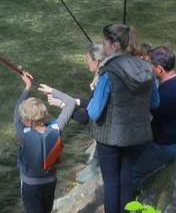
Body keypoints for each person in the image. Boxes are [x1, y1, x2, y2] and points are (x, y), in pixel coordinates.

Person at [43, 24, 156, 213]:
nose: (102, 45)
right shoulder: (146, 67)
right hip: (139, 134)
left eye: (105, 41)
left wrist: (87, 97)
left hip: (111, 138)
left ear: (114, 45)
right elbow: (155, 101)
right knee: (127, 178)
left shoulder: (108, 73)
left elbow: (94, 113)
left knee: (111, 183)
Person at [130, 46, 176, 192]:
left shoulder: (162, 94)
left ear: (159, 70)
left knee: (133, 172)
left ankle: (132, 203)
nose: (148, 68)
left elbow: (141, 114)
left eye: (150, 66)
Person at [13, 70, 77, 213]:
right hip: (50, 182)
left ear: (28, 121)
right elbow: (71, 102)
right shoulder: (56, 128)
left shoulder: (23, 134)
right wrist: (52, 91)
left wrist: (27, 88)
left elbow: (15, 114)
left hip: (30, 186)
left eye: (23, 118)